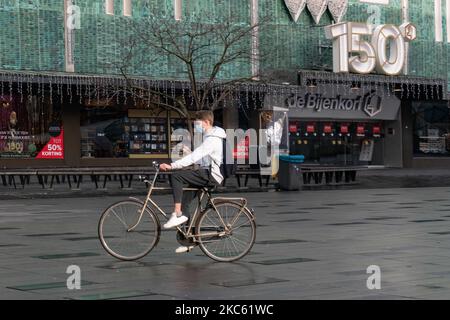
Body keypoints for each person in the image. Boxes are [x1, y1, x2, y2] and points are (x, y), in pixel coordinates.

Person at [159, 110, 226, 253]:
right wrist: (188, 155)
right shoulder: (209, 136)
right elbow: (199, 158)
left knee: (176, 176)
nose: (197, 126)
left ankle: (177, 214)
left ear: (207, 122)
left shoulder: (212, 139)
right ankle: (190, 240)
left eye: (198, 123)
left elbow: (197, 156)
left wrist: (173, 165)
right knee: (185, 201)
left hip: (209, 175)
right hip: (205, 172)